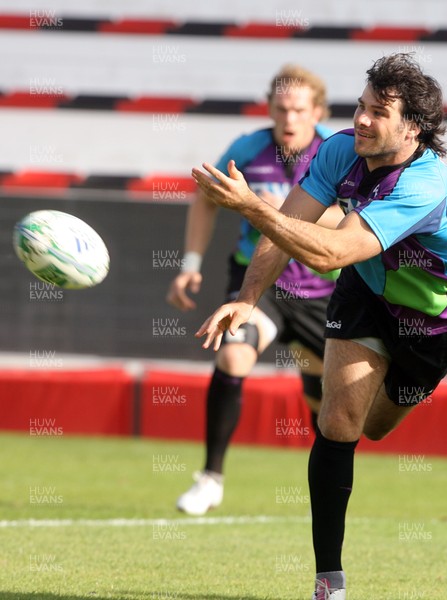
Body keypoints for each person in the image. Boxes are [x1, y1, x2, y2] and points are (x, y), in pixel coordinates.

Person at [192, 53, 447, 600]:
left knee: (375, 425)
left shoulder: (425, 183)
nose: (362, 121)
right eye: (360, 106)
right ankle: (329, 581)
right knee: (338, 420)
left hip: (436, 317)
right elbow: (291, 229)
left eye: (379, 112)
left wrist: (254, 208)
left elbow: (327, 254)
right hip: (367, 291)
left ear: (413, 126)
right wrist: (248, 298)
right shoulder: (337, 151)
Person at [167, 64, 342, 516]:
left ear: (317, 112)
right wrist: (190, 265)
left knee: (328, 401)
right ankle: (210, 478)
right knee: (233, 353)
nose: (288, 119)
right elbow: (205, 198)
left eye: (298, 110)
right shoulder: (247, 149)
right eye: (280, 109)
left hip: (322, 290)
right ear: (269, 108)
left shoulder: (339, 153)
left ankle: (323, 490)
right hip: (258, 283)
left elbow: (351, 227)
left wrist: (280, 212)